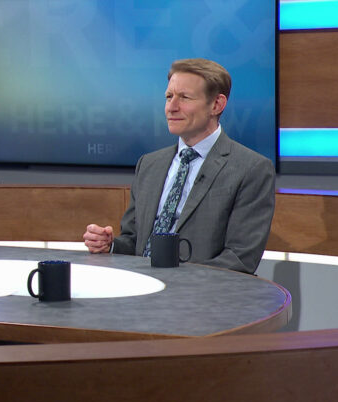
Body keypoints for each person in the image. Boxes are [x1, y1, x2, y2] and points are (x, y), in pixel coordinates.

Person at [83, 58, 275, 274]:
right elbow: (135, 241)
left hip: (202, 298)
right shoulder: (149, 165)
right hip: (140, 290)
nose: (171, 107)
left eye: (184, 97)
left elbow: (240, 259)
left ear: (216, 105)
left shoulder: (251, 169)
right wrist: (110, 246)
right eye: (168, 97)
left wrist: (175, 281)